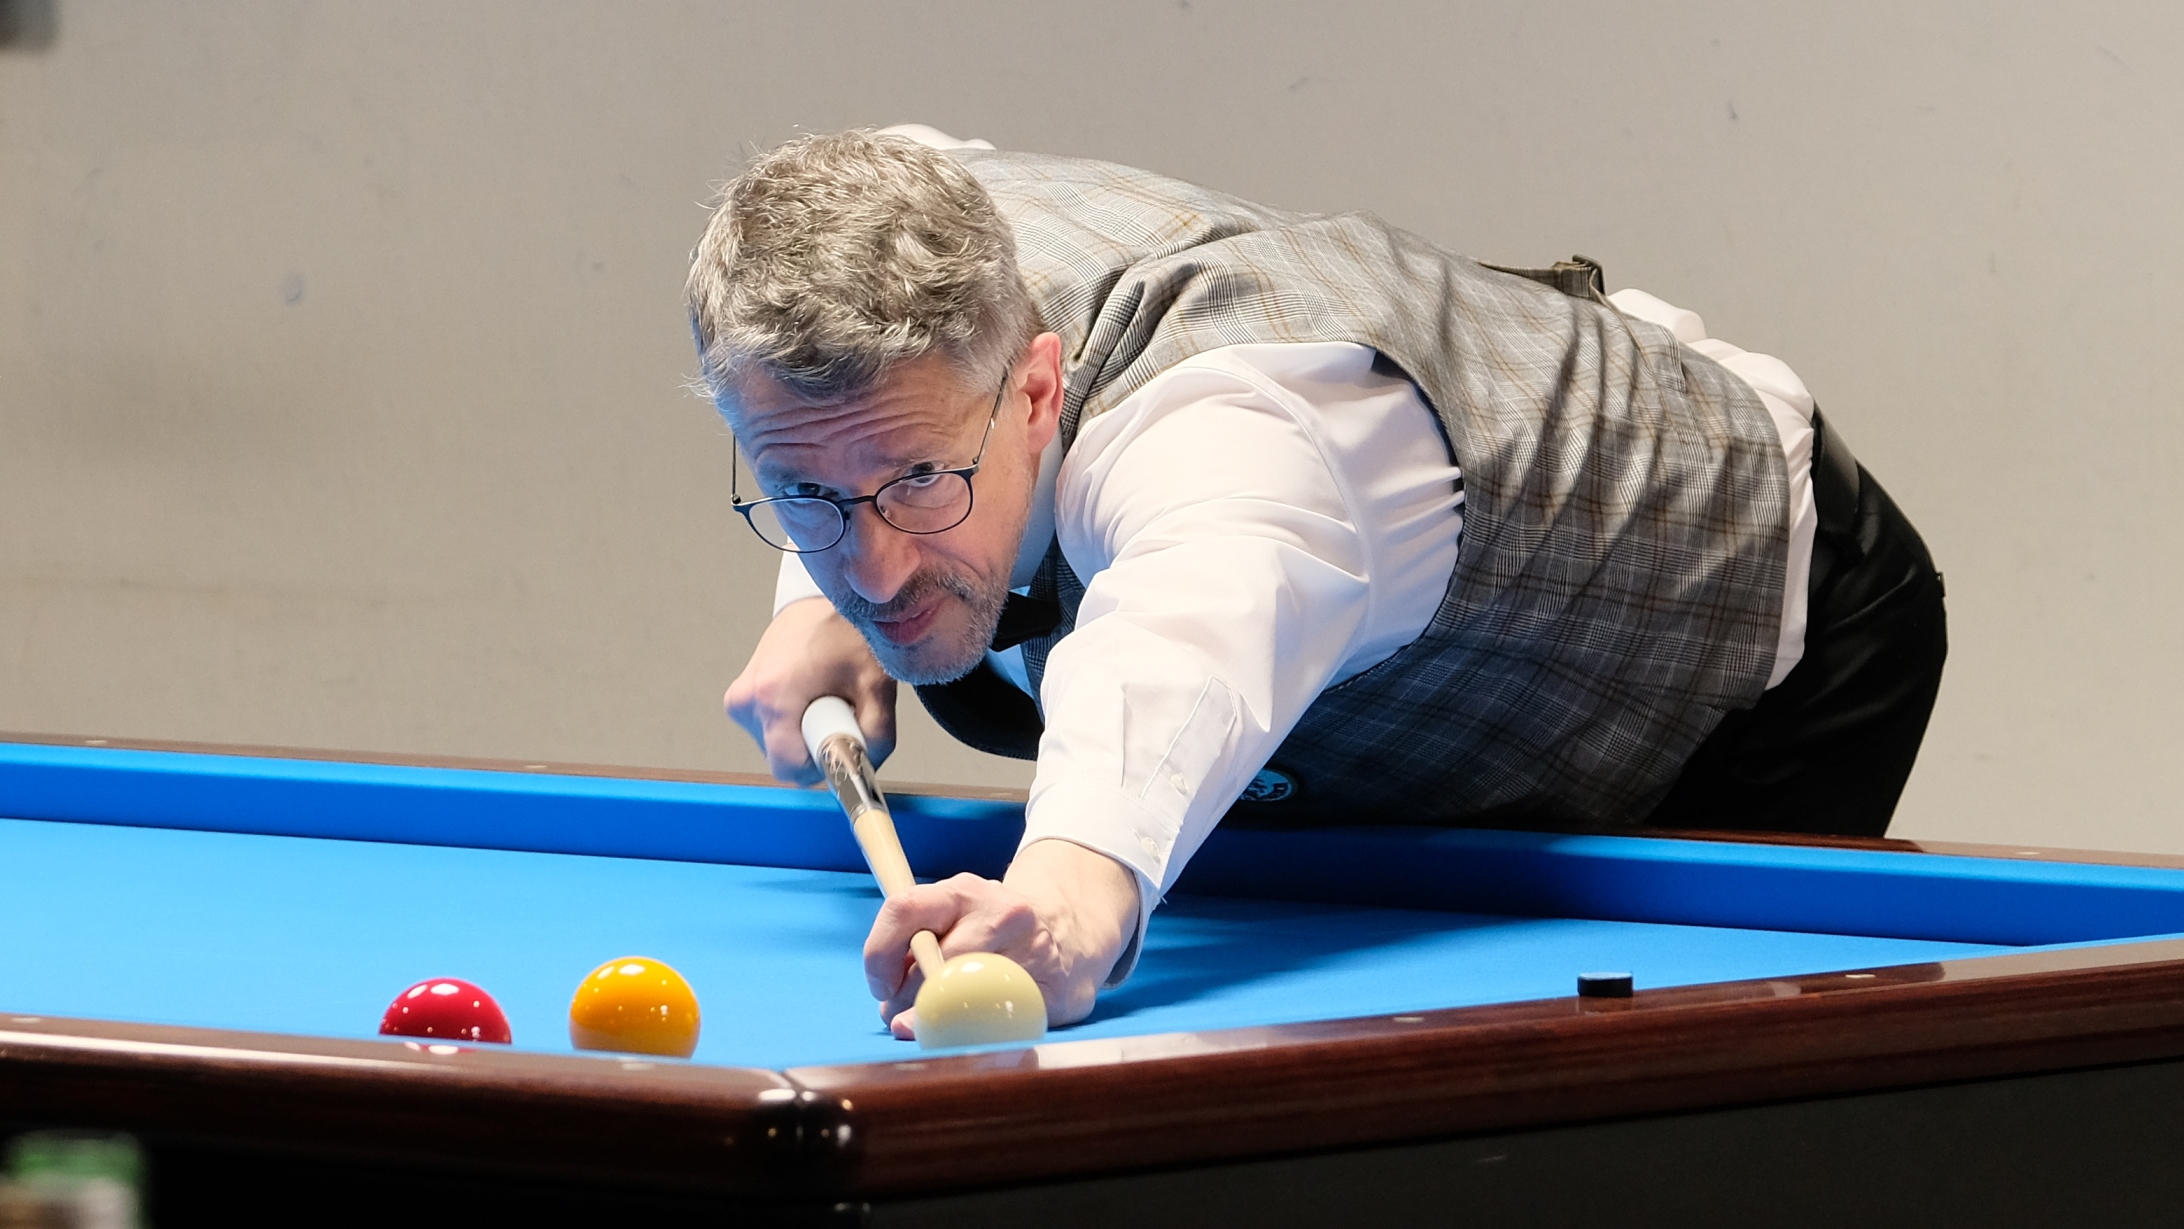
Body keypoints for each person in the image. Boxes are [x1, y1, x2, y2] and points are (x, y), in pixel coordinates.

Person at [686, 126, 1946, 1041]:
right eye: (801, 491)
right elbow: (861, 354)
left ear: (1035, 389)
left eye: (920, 480)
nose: (874, 562)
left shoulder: (1245, 449)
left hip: (1736, 622)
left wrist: (1062, 906)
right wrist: (812, 599)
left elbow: (1174, 654)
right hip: (1407, 692)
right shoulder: (910, 247)